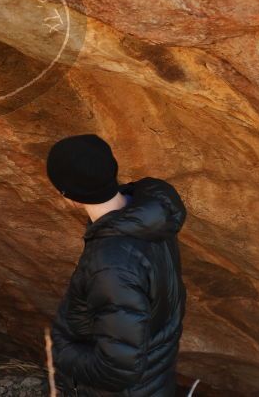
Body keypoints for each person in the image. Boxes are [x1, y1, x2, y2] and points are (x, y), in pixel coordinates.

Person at [45, 134, 186, 396]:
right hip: (155, 379)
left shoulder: (112, 265)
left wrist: (60, 350)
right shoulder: (146, 214)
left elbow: (116, 368)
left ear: (68, 195)